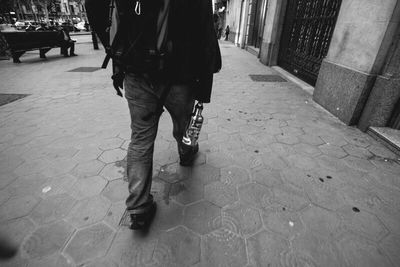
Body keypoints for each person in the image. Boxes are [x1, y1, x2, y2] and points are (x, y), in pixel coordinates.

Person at [86, 0, 221, 230]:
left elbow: (94, 6)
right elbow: (205, 31)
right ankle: (186, 152)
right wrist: (204, 88)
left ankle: (138, 207)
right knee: (183, 124)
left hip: (135, 72)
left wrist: (114, 50)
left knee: (140, 138)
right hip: (180, 75)